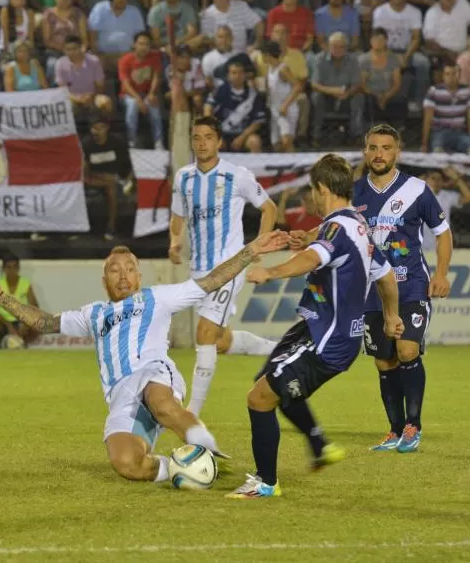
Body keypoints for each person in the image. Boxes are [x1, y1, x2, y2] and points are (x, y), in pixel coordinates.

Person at [0, 231, 291, 482]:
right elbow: (45, 322)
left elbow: (210, 281)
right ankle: (183, 468)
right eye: (114, 270)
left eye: (130, 268)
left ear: (139, 277)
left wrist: (250, 251)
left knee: (160, 401)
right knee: (126, 464)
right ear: (104, 281)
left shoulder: (157, 297)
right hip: (121, 395)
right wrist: (0, 297)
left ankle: (206, 448)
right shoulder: (95, 314)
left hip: (153, 372)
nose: (123, 275)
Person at [226, 153, 403, 500]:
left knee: (259, 399)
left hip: (327, 340)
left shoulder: (337, 228)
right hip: (318, 331)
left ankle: (266, 482)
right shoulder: (358, 227)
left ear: (322, 189)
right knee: (269, 384)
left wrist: (271, 272)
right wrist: (392, 316)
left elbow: (315, 258)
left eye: (312, 190)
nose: (311, 196)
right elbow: (386, 276)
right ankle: (319, 444)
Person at [168, 115, 278, 417]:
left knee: (203, 333)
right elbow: (178, 217)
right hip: (199, 271)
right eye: (196, 138)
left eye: (207, 137)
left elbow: (269, 208)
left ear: (218, 141)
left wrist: (259, 246)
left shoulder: (236, 175)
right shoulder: (184, 178)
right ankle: (277, 349)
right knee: (219, 340)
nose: (201, 143)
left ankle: (192, 412)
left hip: (229, 267)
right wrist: (175, 242)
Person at [352, 124, 452, 453]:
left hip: (412, 286)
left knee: (407, 350)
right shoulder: (355, 194)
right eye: (373, 148)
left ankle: (413, 426)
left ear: (398, 152)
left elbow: (443, 232)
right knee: (384, 361)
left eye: (385, 148)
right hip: (372, 291)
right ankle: (394, 430)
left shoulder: (417, 190)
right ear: (365, 152)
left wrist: (441, 272)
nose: (379, 154)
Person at [82, 113, 132, 240]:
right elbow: (84, 172)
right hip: (93, 179)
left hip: (115, 179)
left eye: (100, 127)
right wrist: (102, 176)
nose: (97, 131)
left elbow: (129, 165)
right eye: (94, 128)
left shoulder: (117, 142)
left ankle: (111, 227)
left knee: (111, 186)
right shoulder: (87, 144)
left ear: (107, 128)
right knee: (108, 182)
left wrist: (127, 180)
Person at [0, 254, 41, 348]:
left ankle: (21, 344)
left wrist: (26, 324)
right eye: (9, 267)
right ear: (4, 269)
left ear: (18, 268)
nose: (12, 270)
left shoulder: (25, 283)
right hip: (3, 323)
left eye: (15, 267)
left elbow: (35, 307)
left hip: (21, 321)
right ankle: (1, 345)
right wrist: (8, 325)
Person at [204, 61, 265, 152]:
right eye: (234, 73)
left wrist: (242, 138)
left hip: (243, 135)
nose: (237, 76)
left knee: (254, 141)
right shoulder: (220, 90)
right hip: (222, 133)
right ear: (228, 75)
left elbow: (257, 123)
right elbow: (207, 110)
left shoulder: (253, 95)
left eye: (240, 73)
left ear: (245, 75)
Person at [421, 61, 470, 154]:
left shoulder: (468, 92)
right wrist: (424, 144)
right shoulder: (434, 92)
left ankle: (466, 167)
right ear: (443, 76)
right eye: (448, 74)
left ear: (459, 75)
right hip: (440, 132)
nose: (451, 77)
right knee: (438, 152)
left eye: (454, 74)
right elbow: (427, 119)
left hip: (459, 132)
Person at [420, 166, 470, 252]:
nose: (437, 181)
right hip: (422, 247)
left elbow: (469, 197)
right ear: (426, 180)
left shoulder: (447, 196)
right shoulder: (418, 194)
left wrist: (457, 179)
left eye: (440, 178)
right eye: (433, 178)